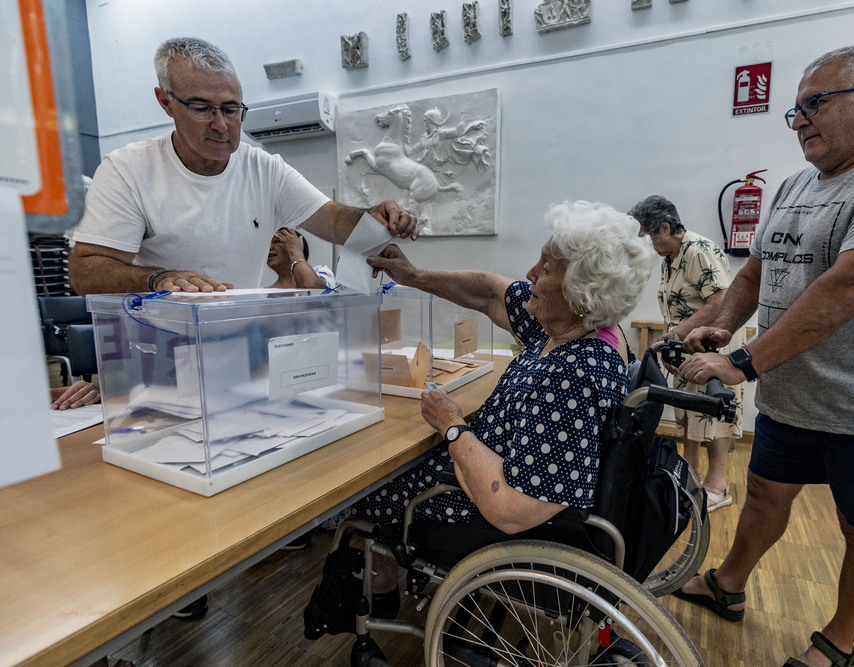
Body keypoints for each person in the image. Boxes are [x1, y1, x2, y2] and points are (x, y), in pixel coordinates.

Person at [673, 45, 854, 667]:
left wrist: (743, 364)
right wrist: (722, 329)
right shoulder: (796, 184)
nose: (799, 119)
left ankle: (837, 643)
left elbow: (851, 284)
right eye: (794, 110)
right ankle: (727, 587)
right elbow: (753, 273)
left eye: (813, 104)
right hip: (795, 397)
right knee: (766, 499)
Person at [356, 200, 654, 596]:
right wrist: (415, 276)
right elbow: (492, 293)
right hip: (484, 469)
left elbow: (511, 509)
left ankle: (375, 578)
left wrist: (451, 426)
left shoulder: (571, 375)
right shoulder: (576, 330)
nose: (530, 273)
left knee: (373, 484)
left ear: (581, 294)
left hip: (477, 509)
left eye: (545, 268)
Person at [68, 37, 418, 296]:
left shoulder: (264, 169)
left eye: (232, 109)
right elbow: (85, 272)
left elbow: (333, 219)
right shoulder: (128, 170)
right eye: (202, 108)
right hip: (157, 352)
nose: (221, 124)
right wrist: (156, 279)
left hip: (240, 345)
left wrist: (373, 216)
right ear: (166, 103)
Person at [628, 195, 744, 512]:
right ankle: (689, 474)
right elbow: (676, 305)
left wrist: (675, 334)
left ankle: (718, 485)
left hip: (713, 344)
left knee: (713, 413)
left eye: (652, 236)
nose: (650, 244)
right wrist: (671, 342)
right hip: (685, 346)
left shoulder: (698, 251)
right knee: (688, 411)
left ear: (666, 227)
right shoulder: (672, 257)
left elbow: (720, 302)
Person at [265, 228, 335, 289]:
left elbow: (312, 289)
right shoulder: (265, 293)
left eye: (276, 241)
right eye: (267, 243)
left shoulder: (322, 272)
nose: (270, 247)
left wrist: (295, 253)